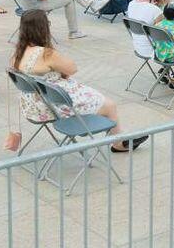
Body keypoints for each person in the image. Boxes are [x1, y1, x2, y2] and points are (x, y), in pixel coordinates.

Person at [11, 10, 146, 153]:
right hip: (53, 105)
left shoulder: (18, 53)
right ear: (43, 28)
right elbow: (72, 68)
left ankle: (116, 138)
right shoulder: (46, 54)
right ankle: (118, 143)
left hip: (33, 106)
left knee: (97, 99)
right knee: (109, 105)